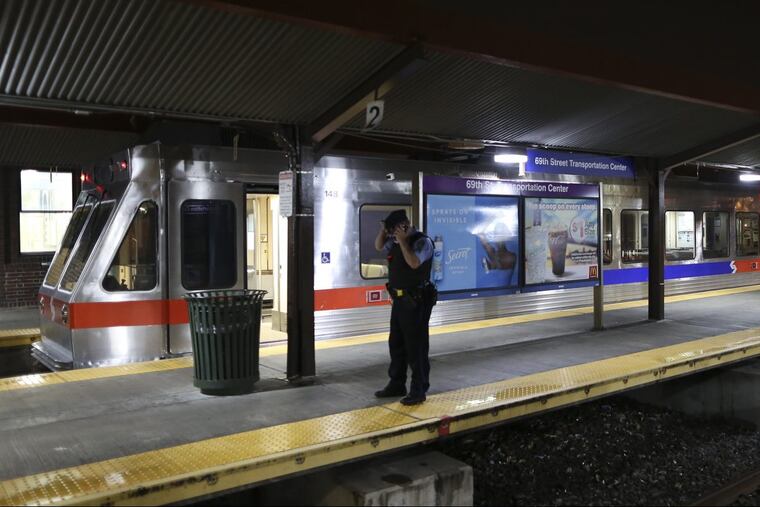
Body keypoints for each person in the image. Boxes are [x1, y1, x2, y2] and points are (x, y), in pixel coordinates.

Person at [374, 209, 437, 406]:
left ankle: (419, 389)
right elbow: (377, 246)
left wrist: (402, 240)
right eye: (390, 230)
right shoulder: (394, 242)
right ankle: (396, 383)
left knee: (416, 347)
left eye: (393, 229)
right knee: (397, 343)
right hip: (400, 301)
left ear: (404, 226)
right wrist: (384, 232)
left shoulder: (421, 242)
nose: (391, 234)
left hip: (416, 301)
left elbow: (414, 263)